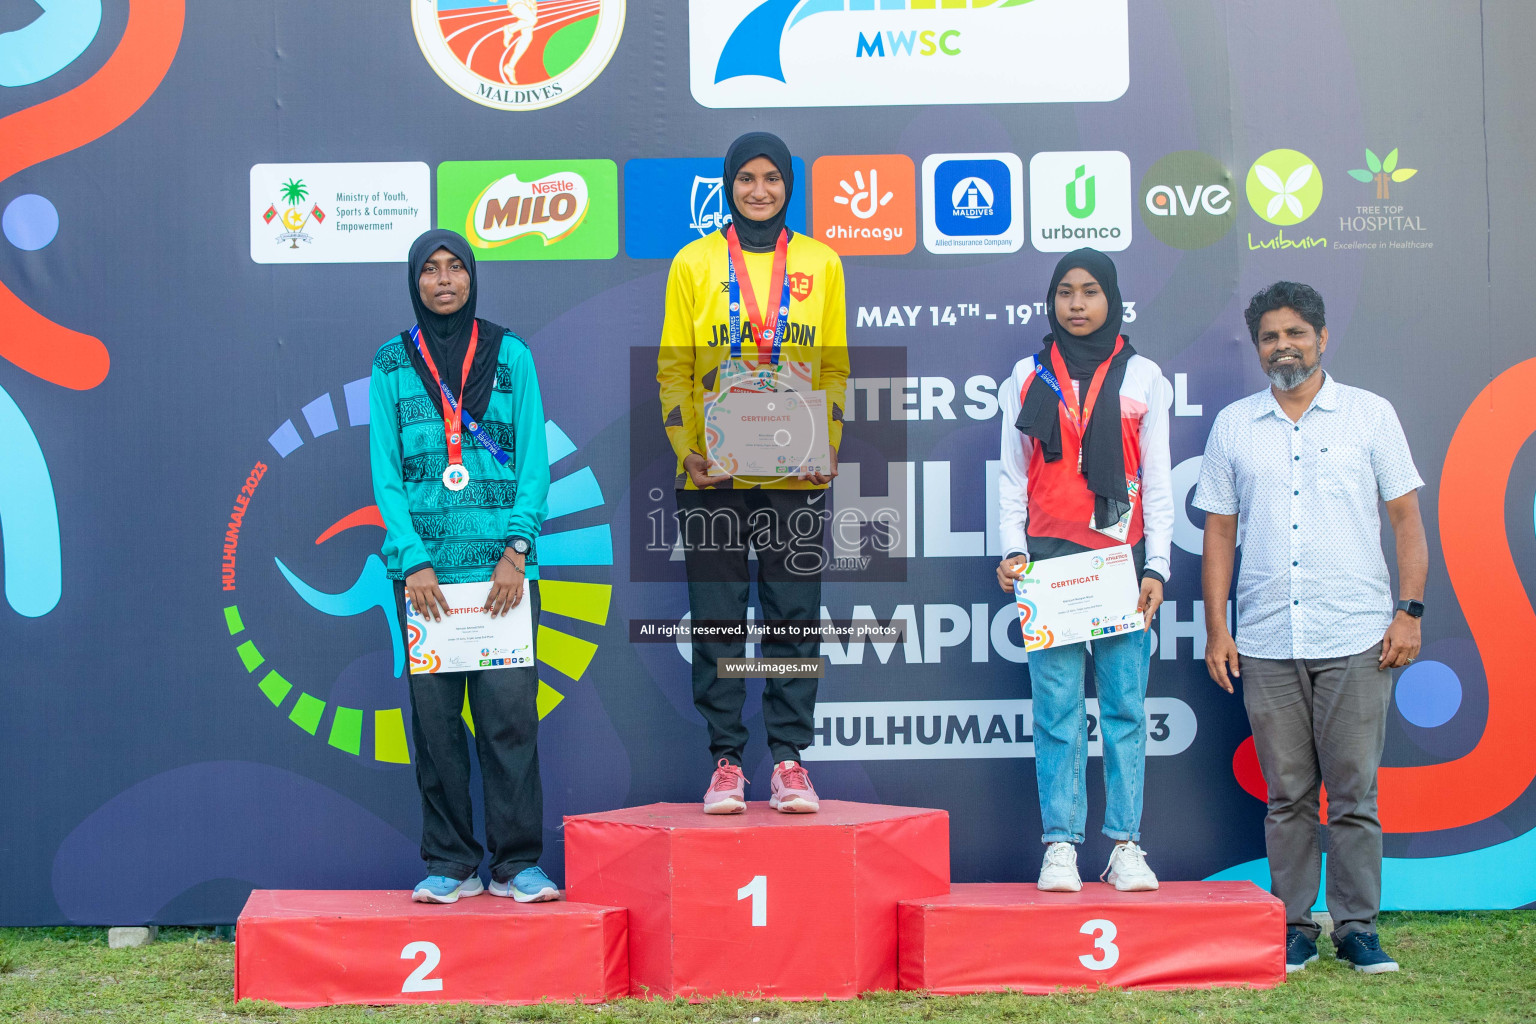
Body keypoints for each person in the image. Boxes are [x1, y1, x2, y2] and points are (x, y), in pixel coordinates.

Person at [1195, 281, 1426, 974]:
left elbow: (1407, 521)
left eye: (1295, 332)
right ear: (1258, 348)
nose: (1283, 345)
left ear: (1322, 338)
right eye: (1269, 336)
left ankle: (1357, 929)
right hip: (1265, 639)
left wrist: (1409, 613)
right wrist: (1218, 626)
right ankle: (1294, 925)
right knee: (1288, 794)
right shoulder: (1235, 426)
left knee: (1354, 793)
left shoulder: (1369, 416)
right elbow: (1218, 533)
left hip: (1358, 635)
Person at [656, 132, 850, 815]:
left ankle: (791, 761)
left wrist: (825, 446)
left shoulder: (822, 263)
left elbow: (833, 368)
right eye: (746, 179)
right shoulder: (694, 262)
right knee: (717, 620)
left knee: (793, 618)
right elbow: (675, 368)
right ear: (729, 185)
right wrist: (687, 448)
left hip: (795, 475)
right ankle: (727, 762)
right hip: (713, 474)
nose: (759, 190)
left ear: (788, 186)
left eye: (772, 178)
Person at [369, 228, 558, 904]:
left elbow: (534, 462)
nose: (444, 280)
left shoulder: (512, 356)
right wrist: (413, 562)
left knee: (510, 721)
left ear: (473, 277)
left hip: (503, 577)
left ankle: (515, 866)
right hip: (426, 582)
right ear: (415, 280)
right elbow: (386, 474)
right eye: (431, 270)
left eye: (456, 268)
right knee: (438, 729)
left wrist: (517, 552)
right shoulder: (392, 363)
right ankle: (450, 862)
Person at [995, 248, 1173, 893]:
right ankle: (1061, 845)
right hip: (1047, 564)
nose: (1076, 303)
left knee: (1125, 707)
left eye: (1090, 291)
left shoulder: (1144, 376)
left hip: (1120, 563)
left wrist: (1158, 565)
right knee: (1057, 712)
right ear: (1051, 300)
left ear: (1112, 299)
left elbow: (1156, 484)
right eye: (1065, 291)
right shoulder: (1026, 376)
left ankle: (1125, 843)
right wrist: (1012, 552)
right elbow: (1013, 478)